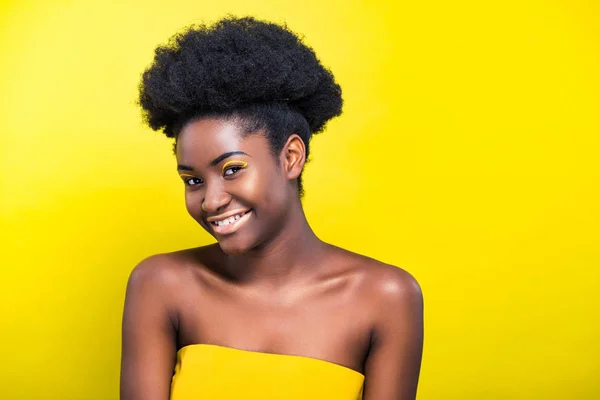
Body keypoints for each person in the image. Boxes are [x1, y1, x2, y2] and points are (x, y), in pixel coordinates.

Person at [120, 16, 423, 400]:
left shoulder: (385, 297)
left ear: (291, 157)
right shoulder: (161, 284)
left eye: (232, 170)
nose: (211, 201)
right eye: (193, 180)